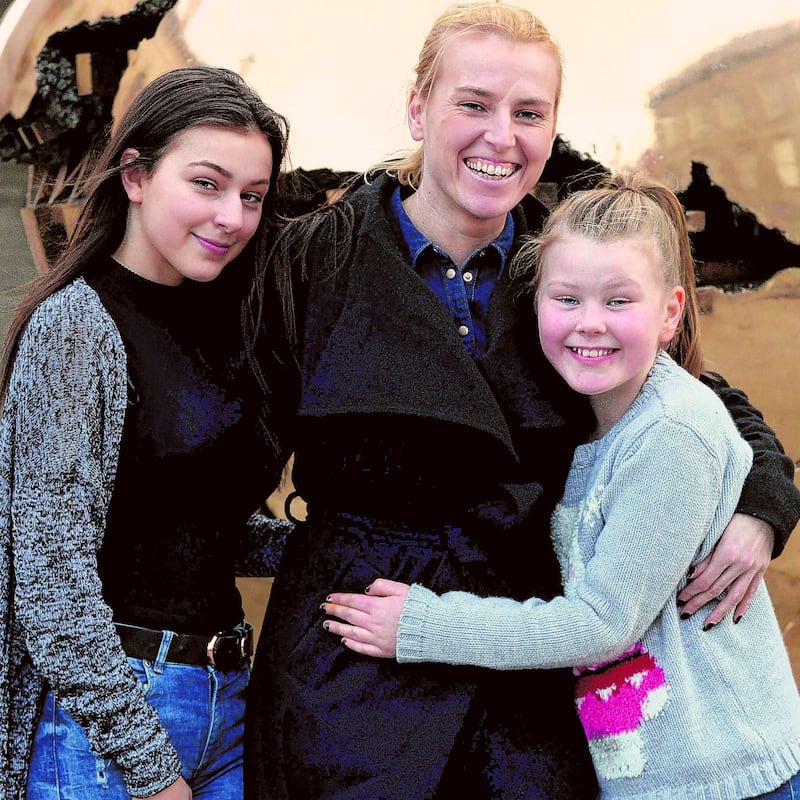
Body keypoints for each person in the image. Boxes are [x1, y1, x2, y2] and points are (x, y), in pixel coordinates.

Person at [244, 4, 800, 798]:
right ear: (417, 108)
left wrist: (764, 500)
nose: (500, 136)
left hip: (533, 658)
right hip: (358, 658)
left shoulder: (569, 251)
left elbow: (692, 391)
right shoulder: (312, 260)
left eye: (528, 113)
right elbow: (225, 437)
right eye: (472, 104)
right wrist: (301, 554)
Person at [321, 172, 800, 799]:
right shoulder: (597, 411)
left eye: (619, 302)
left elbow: (603, 623)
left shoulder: (671, 433)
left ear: (671, 311)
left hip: (721, 778)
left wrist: (424, 627)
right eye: (567, 300)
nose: (590, 324)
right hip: (654, 770)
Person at [0, 66, 294, 799]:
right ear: (134, 175)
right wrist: (150, 770)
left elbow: (195, 524)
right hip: (112, 724)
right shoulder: (76, 327)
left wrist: (341, 547)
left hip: (230, 700)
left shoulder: (226, 323)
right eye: (207, 183)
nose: (233, 215)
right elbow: (52, 582)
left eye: (252, 196)